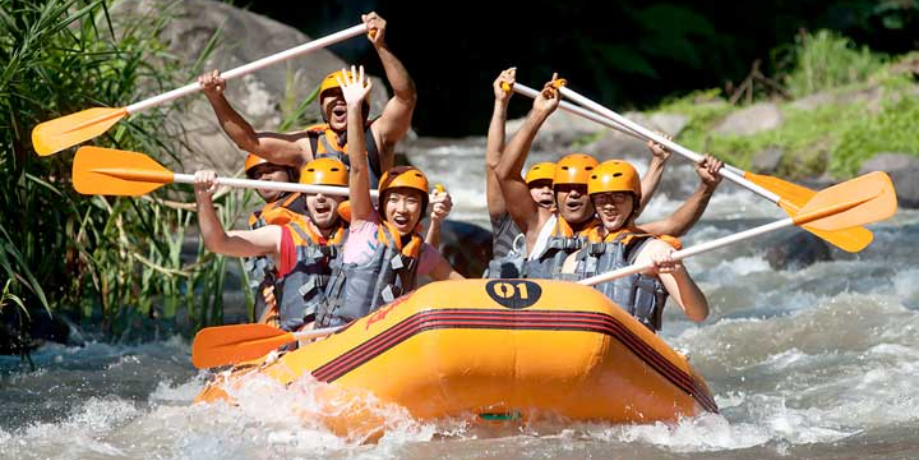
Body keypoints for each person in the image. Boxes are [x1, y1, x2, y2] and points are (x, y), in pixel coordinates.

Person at [198, 12, 415, 188]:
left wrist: (380, 46)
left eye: (347, 95)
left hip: (367, 227)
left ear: (363, 107)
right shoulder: (307, 145)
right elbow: (249, 141)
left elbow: (406, 98)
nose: (341, 101)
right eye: (333, 96)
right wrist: (216, 98)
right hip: (324, 227)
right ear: (323, 107)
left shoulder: (379, 134)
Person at [317, 67, 462, 328]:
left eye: (411, 201)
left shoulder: (421, 251)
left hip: (385, 341)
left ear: (422, 209)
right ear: (382, 205)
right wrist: (353, 108)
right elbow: (358, 167)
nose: (402, 209)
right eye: (394, 200)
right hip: (337, 334)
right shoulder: (364, 223)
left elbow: (460, 285)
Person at [494, 76, 677, 280]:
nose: (573, 194)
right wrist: (538, 115)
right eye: (565, 188)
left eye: (581, 188)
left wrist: (659, 161)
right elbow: (505, 174)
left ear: (596, 196)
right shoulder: (539, 224)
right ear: (555, 196)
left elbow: (636, 195)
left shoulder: (610, 227)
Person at [194, 158, 349, 332]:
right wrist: (203, 198)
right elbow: (217, 242)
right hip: (302, 338)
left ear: (344, 197)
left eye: (328, 190)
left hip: (350, 331)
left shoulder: (359, 233)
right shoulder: (281, 236)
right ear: (304, 199)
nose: (320, 198)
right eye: (313, 193)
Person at [563, 160, 710, 331]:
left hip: (629, 341)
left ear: (635, 201)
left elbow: (699, 314)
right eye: (601, 198)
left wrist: (679, 273)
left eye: (618, 197)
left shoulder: (655, 250)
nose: (609, 205)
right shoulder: (573, 261)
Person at [241, 153, 305, 325]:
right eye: (258, 175)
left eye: (271, 170)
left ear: (290, 172)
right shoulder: (259, 217)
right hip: (270, 291)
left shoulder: (307, 203)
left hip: (303, 289)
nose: (265, 178)